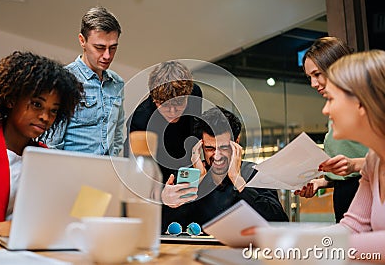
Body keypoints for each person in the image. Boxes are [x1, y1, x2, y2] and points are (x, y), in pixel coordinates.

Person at [243, 50, 385, 260]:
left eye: (331, 99)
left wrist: (296, 244)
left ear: (362, 103)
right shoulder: (374, 162)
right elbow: (353, 227)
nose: (325, 111)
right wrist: (278, 238)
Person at [0, 51, 83, 242]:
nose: (45, 117)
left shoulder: (47, 160)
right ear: (11, 99)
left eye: (53, 111)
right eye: (37, 104)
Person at [161, 106, 289, 231]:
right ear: (201, 145)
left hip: (245, 249)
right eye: (210, 148)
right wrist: (197, 184)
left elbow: (280, 223)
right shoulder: (189, 176)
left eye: (224, 148)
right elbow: (168, 228)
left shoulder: (255, 173)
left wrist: (237, 179)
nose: (217, 156)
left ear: (236, 142)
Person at [295, 37, 368, 223]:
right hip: (346, 197)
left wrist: (354, 165)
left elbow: (363, 164)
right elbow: (346, 172)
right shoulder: (335, 106)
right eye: (309, 77)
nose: (313, 84)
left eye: (317, 74)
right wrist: (321, 182)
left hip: (372, 193)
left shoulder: (370, 101)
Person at [124, 60, 203, 232]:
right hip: (155, 174)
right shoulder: (140, 121)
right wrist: (160, 194)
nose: (173, 113)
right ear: (154, 99)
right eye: (165, 106)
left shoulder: (195, 93)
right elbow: (137, 180)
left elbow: (193, 129)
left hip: (183, 165)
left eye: (180, 105)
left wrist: (197, 157)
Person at [44, 6, 125, 156]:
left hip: (105, 173)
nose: (107, 56)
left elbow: (118, 136)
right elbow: (52, 142)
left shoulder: (117, 83)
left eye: (113, 48)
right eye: (100, 47)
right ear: (82, 41)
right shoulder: (64, 80)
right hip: (71, 172)